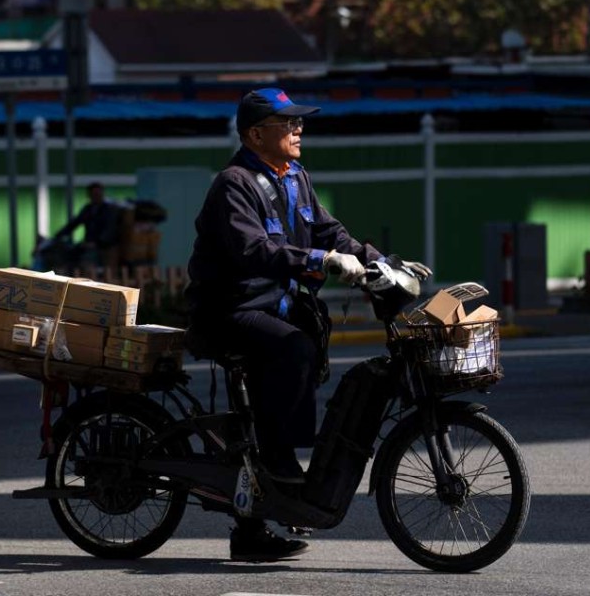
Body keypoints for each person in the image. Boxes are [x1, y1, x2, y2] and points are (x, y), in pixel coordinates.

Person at [184, 88, 430, 562]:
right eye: (288, 124)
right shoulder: (234, 184)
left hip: (273, 306)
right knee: (293, 348)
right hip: (229, 310)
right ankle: (277, 463)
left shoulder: (294, 176)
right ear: (257, 134)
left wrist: (380, 262)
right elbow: (254, 250)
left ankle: (259, 511)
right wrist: (324, 261)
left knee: (308, 343)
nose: (299, 130)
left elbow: (328, 231)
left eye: (300, 123)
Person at [51, 182, 121, 268]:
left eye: (98, 194)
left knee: (88, 260)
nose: (96, 196)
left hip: (104, 246)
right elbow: (74, 224)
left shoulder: (109, 209)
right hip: (90, 244)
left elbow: (110, 229)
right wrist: (57, 236)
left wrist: (97, 243)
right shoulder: (88, 209)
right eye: (93, 194)